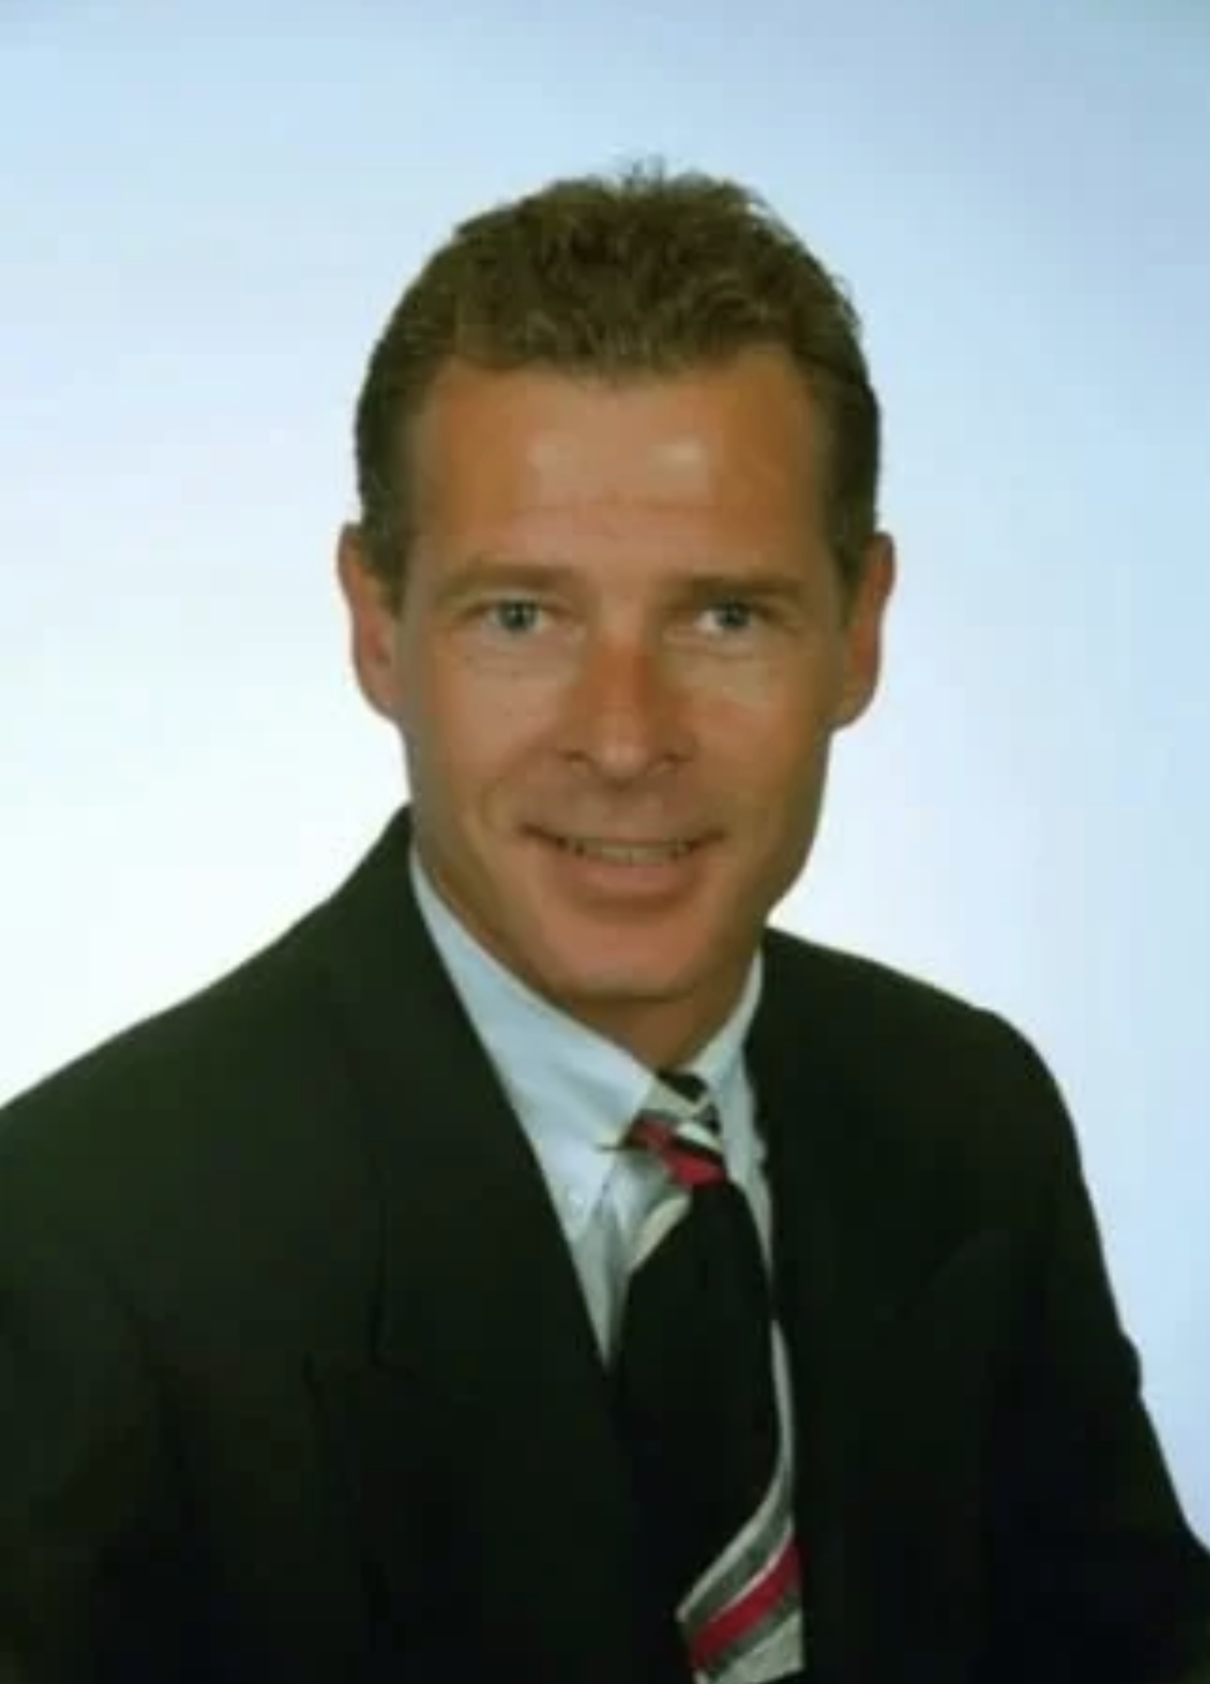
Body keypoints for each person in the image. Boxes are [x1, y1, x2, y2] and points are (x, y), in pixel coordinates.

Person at [1, 163, 1207, 1684]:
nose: (625, 738)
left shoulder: (968, 1118)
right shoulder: (77, 1251)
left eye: (724, 616)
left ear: (860, 629)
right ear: (377, 626)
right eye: (522, 616)